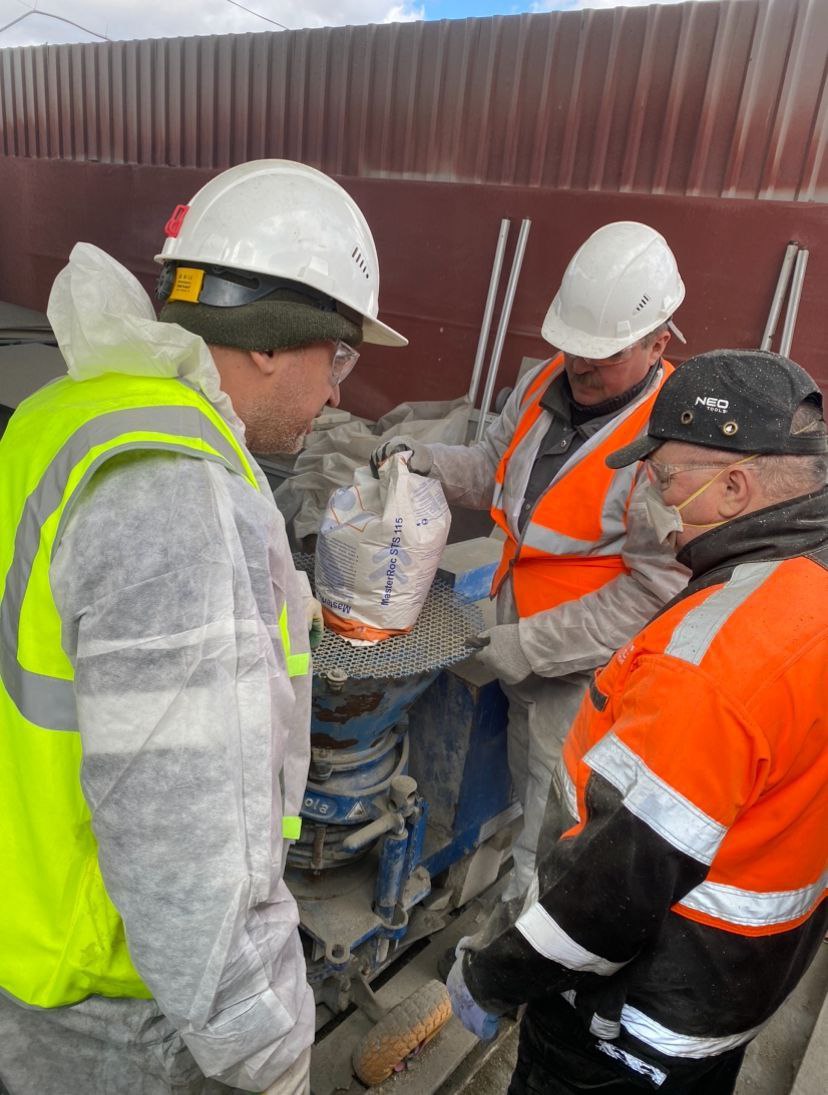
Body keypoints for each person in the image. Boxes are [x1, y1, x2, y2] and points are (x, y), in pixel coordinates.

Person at [0, 160, 406, 1095]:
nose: (336, 393)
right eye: (338, 357)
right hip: (117, 1002)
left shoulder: (65, 415)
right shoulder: (176, 492)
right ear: (270, 341)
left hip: (35, 914)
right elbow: (185, 845)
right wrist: (268, 1050)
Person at [447, 349, 828, 1094]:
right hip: (733, 990)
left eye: (663, 479)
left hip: (629, 1026)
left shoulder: (713, 664)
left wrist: (495, 978)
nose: (650, 496)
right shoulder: (805, 575)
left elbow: (612, 892)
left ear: (734, 487)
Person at [372, 222, 689, 899]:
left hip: (582, 674)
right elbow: (494, 467)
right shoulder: (546, 382)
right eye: (572, 348)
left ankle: (522, 936)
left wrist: (532, 643)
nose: (580, 367)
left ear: (658, 343)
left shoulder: (669, 445)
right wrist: (429, 462)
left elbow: (653, 592)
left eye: (601, 355)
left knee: (551, 829)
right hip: (515, 629)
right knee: (524, 785)